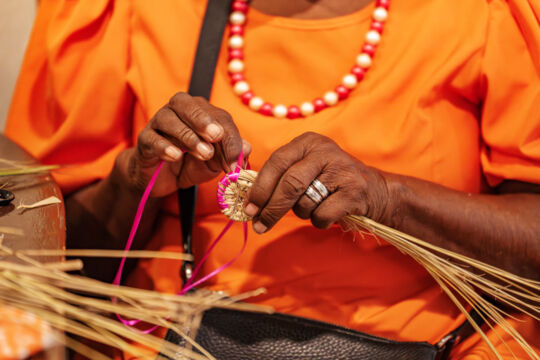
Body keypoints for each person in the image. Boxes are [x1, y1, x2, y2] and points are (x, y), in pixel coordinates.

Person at [5, 0, 540, 358]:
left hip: (437, 346)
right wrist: (133, 182)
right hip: (170, 343)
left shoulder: (489, 13)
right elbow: (41, 259)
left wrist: (389, 198)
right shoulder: (123, 11)